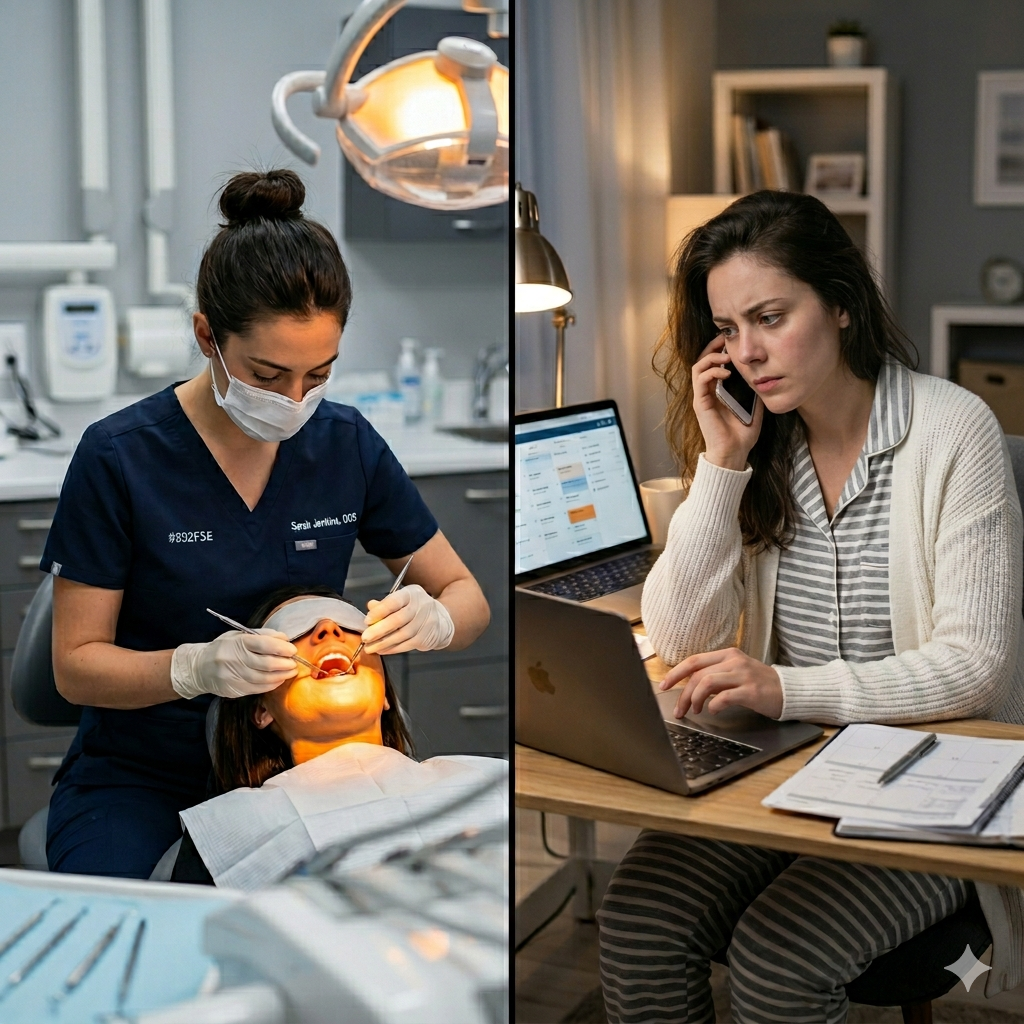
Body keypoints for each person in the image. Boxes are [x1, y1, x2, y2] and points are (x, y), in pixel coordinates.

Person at [598, 190, 1024, 1023]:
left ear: (840, 303)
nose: (747, 353)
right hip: (783, 767)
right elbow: (678, 637)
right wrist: (722, 464)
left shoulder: (951, 430)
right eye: (727, 329)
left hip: (932, 783)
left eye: (769, 316)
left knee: (777, 961)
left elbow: (976, 668)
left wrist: (785, 691)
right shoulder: (758, 438)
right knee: (637, 923)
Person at [43, 169, 491, 880]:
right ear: (206, 337)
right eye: (267, 373)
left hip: (306, 767)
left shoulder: (345, 444)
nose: (293, 400)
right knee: (129, 938)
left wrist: (436, 618)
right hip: (141, 774)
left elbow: (467, 596)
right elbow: (75, 666)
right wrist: (193, 668)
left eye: (318, 375)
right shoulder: (120, 457)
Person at [170, 584, 504, 887]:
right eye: (294, 630)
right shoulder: (227, 834)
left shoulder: (489, 781)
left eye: (349, 624)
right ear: (262, 711)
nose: (327, 629)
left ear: (386, 693)